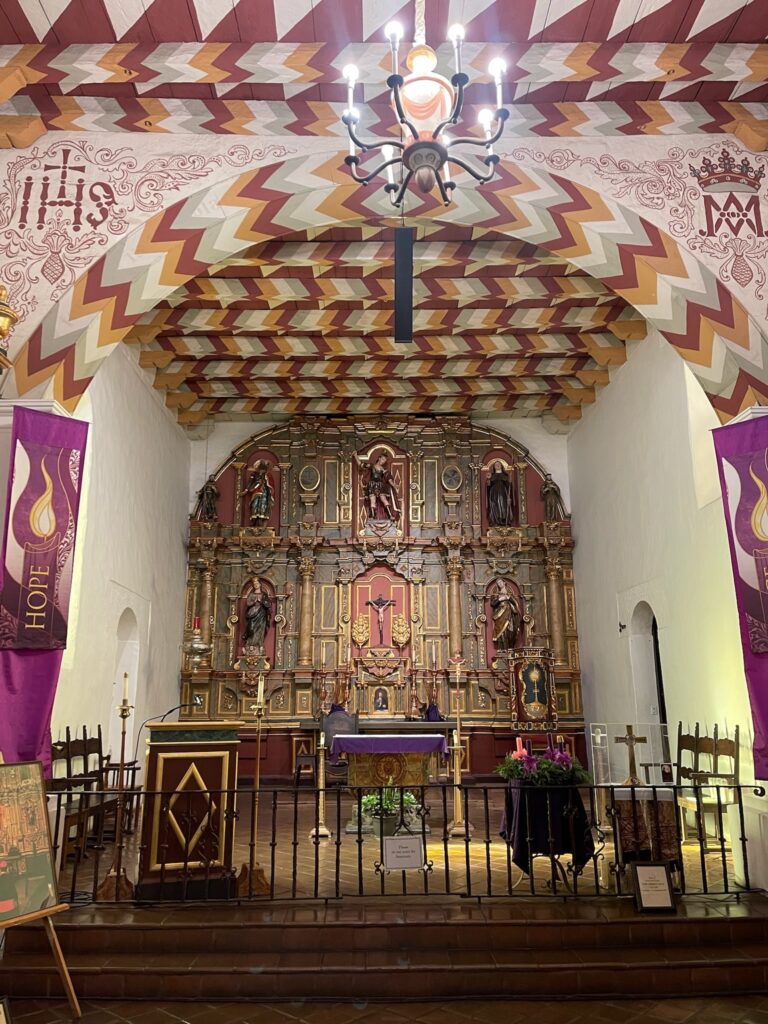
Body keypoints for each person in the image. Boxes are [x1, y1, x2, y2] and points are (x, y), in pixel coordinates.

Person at [354, 451, 400, 521]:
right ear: (379, 458)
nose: (383, 461)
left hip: (380, 485)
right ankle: (372, 517)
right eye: (383, 459)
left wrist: (394, 485)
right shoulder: (372, 466)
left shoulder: (384, 470)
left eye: (385, 460)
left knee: (383, 499)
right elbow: (361, 465)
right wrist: (355, 456)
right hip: (372, 485)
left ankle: (390, 515)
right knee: (372, 500)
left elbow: (389, 480)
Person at [489, 578, 521, 652]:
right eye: (498, 583)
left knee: (510, 629)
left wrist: (508, 598)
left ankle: (510, 647)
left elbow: (515, 603)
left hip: (510, 613)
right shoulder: (496, 594)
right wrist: (500, 599)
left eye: (500, 582)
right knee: (501, 631)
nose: (499, 584)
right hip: (500, 614)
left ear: (504, 583)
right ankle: (502, 648)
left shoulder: (510, 594)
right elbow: (492, 603)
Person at [243, 582, 271, 651]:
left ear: (260, 584)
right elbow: (248, 603)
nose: (256, 585)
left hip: (261, 613)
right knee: (251, 628)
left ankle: (260, 644)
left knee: (260, 629)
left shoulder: (264, 594)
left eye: (257, 584)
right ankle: (250, 644)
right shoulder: (251, 594)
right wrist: (254, 602)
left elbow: (268, 604)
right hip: (252, 612)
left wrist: (261, 601)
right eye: (254, 584)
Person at [487, 460, 516, 527]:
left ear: (501, 466)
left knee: (503, 506)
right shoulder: (492, 476)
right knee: (495, 506)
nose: (497, 465)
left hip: (504, 494)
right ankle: (496, 521)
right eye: (496, 464)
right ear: (494, 467)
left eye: (499, 464)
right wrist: (488, 480)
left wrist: (509, 482)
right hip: (494, 494)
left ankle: (504, 521)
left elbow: (509, 487)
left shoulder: (505, 475)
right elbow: (488, 487)